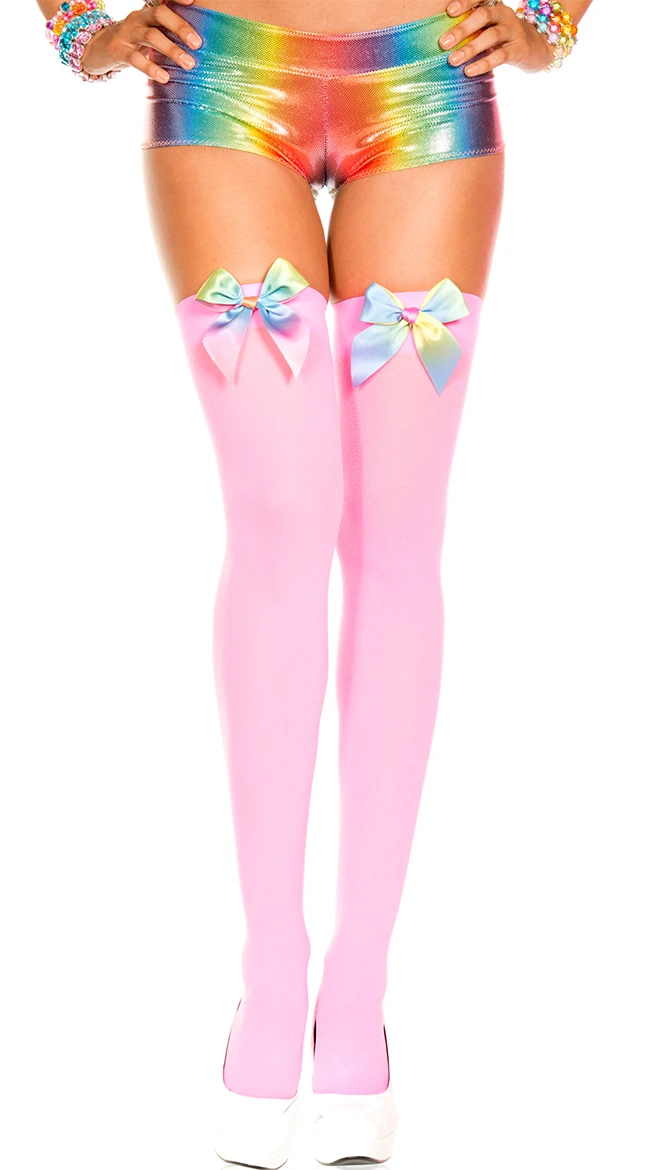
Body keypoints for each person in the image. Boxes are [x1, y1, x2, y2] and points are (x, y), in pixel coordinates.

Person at [38, 0, 593, 1163]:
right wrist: (77, 21)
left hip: (430, 80)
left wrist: (551, 18)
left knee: (396, 531)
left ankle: (356, 1003)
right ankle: (272, 975)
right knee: (280, 514)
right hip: (218, 77)